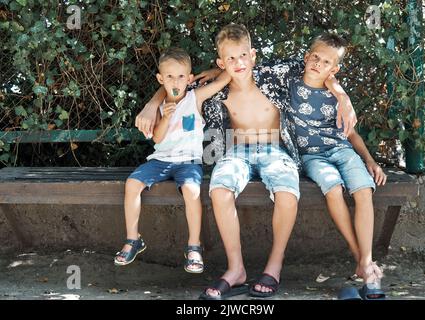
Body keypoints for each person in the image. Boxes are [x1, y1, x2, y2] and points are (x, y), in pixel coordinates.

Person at [136, 24, 357, 299]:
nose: (238, 63)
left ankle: (274, 267)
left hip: (276, 151)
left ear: (253, 55)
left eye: (243, 56)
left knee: (287, 192)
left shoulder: (274, 76)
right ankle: (236, 269)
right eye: (230, 59)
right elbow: (175, 86)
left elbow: (318, 64)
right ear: (220, 62)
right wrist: (150, 104)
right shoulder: (215, 90)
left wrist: (342, 96)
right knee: (219, 190)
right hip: (236, 151)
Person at [114, 47, 231, 275]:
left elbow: (226, 77)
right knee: (132, 184)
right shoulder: (157, 107)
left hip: (189, 161)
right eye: (169, 76)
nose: (175, 81)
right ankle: (132, 239)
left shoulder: (194, 97)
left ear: (189, 79)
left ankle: (194, 246)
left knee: (191, 190)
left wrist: (214, 70)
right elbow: (157, 138)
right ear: (160, 79)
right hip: (160, 160)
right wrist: (166, 117)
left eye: (180, 76)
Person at [286, 33, 386, 299]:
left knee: (363, 190)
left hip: (341, 150)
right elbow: (254, 68)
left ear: (335, 69)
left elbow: (350, 134)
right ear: (306, 58)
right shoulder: (290, 84)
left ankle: (366, 261)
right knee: (333, 188)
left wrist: (369, 160)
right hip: (312, 156)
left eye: (326, 62)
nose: (318, 64)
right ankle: (363, 262)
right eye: (315, 57)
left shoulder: (336, 96)